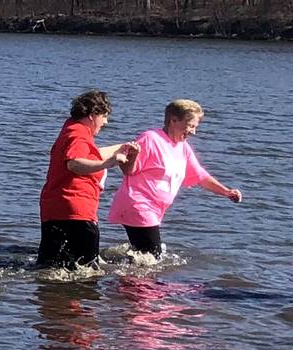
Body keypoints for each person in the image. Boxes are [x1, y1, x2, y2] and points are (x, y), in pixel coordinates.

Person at [108, 99, 244, 255]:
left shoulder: (182, 147)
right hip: (138, 205)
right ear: (173, 120)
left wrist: (226, 192)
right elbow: (129, 171)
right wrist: (130, 156)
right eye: (191, 126)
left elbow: (200, 175)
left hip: (154, 209)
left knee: (145, 257)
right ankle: (124, 277)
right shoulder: (151, 139)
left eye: (195, 127)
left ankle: (114, 268)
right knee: (152, 257)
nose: (194, 132)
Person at [36, 90, 139, 270]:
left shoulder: (71, 128)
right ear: (92, 115)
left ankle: (48, 296)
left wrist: (120, 149)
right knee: (86, 273)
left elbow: (89, 155)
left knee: (50, 267)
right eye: (104, 116)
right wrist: (108, 163)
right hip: (76, 212)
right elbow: (74, 163)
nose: (106, 122)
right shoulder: (79, 135)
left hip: (54, 209)